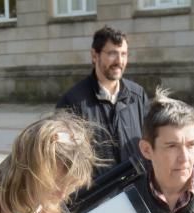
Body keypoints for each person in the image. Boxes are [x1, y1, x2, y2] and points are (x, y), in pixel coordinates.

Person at [57, 24, 150, 177]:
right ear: (95, 55)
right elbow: (63, 160)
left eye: (124, 54)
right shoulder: (73, 101)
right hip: (96, 196)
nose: (119, 61)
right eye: (112, 53)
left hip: (135, 189)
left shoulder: (137, 95)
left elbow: (149, 144)